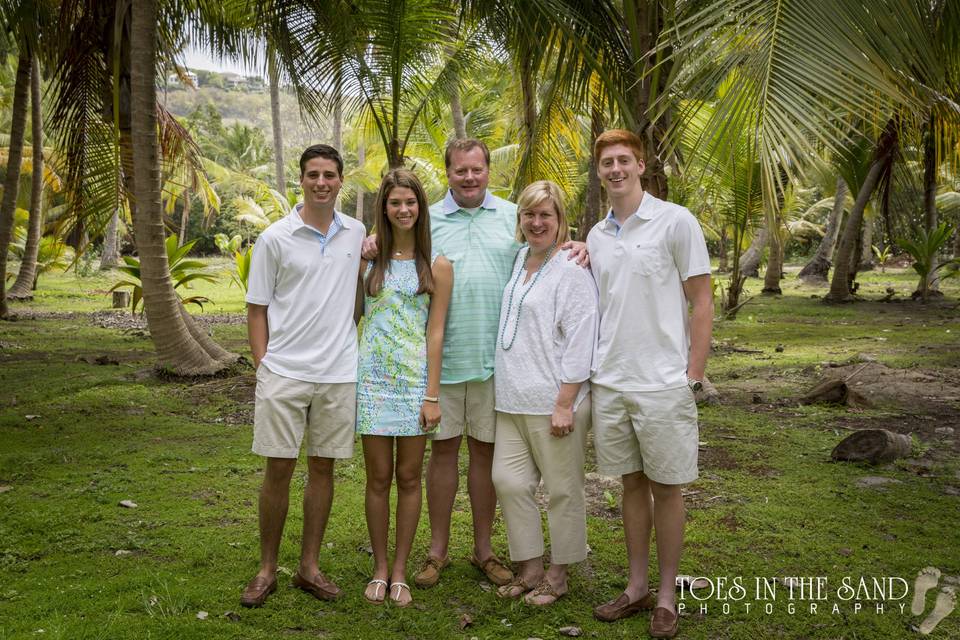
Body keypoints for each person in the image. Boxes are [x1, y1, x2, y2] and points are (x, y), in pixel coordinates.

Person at [586, 129, 712, 639]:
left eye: (623, 160)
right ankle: (635, 587)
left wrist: (694, 375)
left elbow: (701, 301)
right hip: (611, 381)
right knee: (630, 485)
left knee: (667, 486)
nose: (615, 169)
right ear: (599, 172)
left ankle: (665, 595)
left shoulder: (674, 221)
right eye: (606, 163)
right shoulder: (597, 235)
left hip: (663, 383)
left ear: (641, 164)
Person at [240, 144, 365, 608]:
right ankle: (267, 568)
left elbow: (358, 293)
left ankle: (309, 567)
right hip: (284, 373)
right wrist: (264, 365)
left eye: (329, 174)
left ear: (340, 180)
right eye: (313, 174)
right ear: (301, 179)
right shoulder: (275, 237)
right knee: (278, 468)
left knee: (323, 467)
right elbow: (256, 309)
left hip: (337, 373)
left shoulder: (356, 232)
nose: (321, 182)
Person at [490, 181, 598, 606]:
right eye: (529, 215)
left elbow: (581, 339)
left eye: (545, 216)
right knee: (509, 481)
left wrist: (565, 403)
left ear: (560, 222)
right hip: (511, 398)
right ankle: (530, 567)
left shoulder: (571, 270)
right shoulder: (519, 260)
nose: (536, 223)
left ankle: (558, 574)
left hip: (554, 402)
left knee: (562, 489)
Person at [356, 169, 453, 607]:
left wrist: (432, 395)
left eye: (410, 202)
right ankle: (378, 567)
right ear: (384, 208)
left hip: (415, 385)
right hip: (373, 383)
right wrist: (358, 259)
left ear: (421, 207)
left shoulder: (437, 266)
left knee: (409, 477)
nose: (403, 210)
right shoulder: (368, 262)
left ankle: (400, 570)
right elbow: (351, 314)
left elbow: (436, 333)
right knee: (377, 478)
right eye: (395, 203)